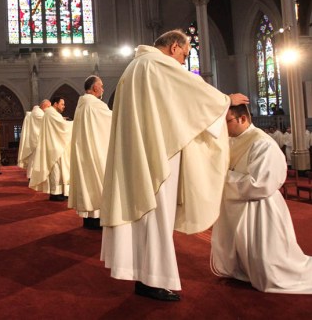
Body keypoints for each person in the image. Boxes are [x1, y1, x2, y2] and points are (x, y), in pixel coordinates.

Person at [100, 29, 249, 301]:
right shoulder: (157, 64)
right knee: (156, 216)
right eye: (185, 54)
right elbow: (192, 92)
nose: (183, 61)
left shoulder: (135, 67)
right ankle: (152, 280)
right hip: (158, 154)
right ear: (174, 47)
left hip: (140, 153)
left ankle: (143, 274)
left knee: (145, 217)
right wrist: (227, 100)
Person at [211, 104, 312, 294]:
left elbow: (261, 183)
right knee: (243, 250)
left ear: (242, 118)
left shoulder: (262, 143)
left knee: (265, 262)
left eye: (227, 121)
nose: (224, 127)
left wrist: (223, 178)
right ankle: (245, 271)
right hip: (237, 205)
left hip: (260, 208)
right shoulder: (233, 140)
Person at [68, 76, 112, 229]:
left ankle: (89, 218)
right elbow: (112, 121)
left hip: (85, 150)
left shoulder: (82, 104)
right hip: (96, 149)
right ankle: (98, 218)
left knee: (88, 182)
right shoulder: (95, 105)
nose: (103, 89)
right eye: (101, 86)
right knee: (98, 180)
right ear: (94, 88)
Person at [29, 97, 72, 201]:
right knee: (56, 170)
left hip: (57, 144)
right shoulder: (51, 113)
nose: (64, 106)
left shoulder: (53, 113)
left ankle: (60, 192)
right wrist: (74, 123)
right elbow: (62, 126)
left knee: (59, 171)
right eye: (62, 104)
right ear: (55, 104)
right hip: (54, 146)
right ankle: (55, 193)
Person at [17, 99, 51, 179]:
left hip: (37, 139)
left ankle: (34, 176)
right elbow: (45, 120)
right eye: (48, 107)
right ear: (44, 106)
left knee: (36, 159)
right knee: (34, 159)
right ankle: (31, 176)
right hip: (35, 140)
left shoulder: (39, 112)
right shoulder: (37, 112)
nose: (49, 109)